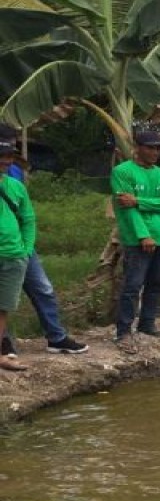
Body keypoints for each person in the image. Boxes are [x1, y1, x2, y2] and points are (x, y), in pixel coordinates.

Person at [0, 124, 89, 364]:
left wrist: (27, 247)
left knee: (42, 288)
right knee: (3, 301)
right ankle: (4, 343)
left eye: (11, 147)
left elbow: (25, 213)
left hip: (19, 245)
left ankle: (56, 337)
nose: (8, 155)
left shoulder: (15, 174)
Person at [112, 130, 160, 347]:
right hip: (137, 238)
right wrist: (143, 235)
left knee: (155, 284)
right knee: (133, 284)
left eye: (158, 148)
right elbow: (126, 208)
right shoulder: (123, 172)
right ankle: (123, 331)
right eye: (150, 147)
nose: (155, 151)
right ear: (137, 147)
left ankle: (147, 324)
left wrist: (138, 200)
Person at [0, 142, 36, 371]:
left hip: (14, 255)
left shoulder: (16, 186)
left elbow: (28, 218)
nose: (5, 160)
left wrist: (26, 249)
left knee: (2, 309)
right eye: (1, 156)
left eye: (8, 156)